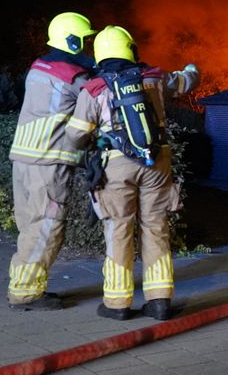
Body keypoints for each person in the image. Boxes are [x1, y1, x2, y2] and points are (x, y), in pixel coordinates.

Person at [65, 25, 199, 320]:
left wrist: (96, 138)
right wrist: (192, 69)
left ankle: (117, 304)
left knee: (118, 229)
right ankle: (159, 301)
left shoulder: (94, 88)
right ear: (131, 50)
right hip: (156, 162)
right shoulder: (155, 78)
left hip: (116, 166)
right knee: (156, 227)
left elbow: (75, 136)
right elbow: (186, 82)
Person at [7, 11, 98, 311]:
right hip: (48, 163)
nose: (87, 47)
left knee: (30, 226)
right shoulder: (73, 76)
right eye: (84, 41)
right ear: (72, 41)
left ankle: (23, 284)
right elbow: (97, 97)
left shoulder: (38, 67)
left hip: (24, 159)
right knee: (47, 226)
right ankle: (26, 292)